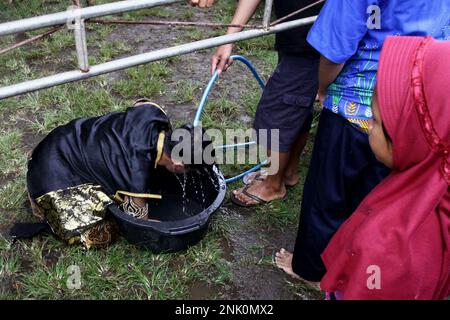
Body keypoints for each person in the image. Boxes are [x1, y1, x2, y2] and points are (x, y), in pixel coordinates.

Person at [275, 0, 450, 284]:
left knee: (327, 196)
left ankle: (311, 269)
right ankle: (359, 270)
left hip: (356, 105)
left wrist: (322, 88)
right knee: (382, 200)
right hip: (418, 109)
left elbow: (335, 49)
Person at [320, 36, 450, 300]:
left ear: (414, 140)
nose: (367, 124)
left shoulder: (388, 250)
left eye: (376, 121)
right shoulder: (431, 186)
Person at [24, 99, 210, 248]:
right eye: (188, 170)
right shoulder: (137, 173)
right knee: (99, 235)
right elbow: (140, 223)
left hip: (62, 139)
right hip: (51, 175)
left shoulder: (154, 113)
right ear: (178, 164)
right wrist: (159, 225)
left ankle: (36, 164)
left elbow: (140, 103)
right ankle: (39, 201)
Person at [210, 0, 323, 207]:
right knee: (298, 104)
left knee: (277, 112)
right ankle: (287, 172)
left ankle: (272, 185)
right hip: (299, 37)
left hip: (313, 41)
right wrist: (229, 39)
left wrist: (229, 39)